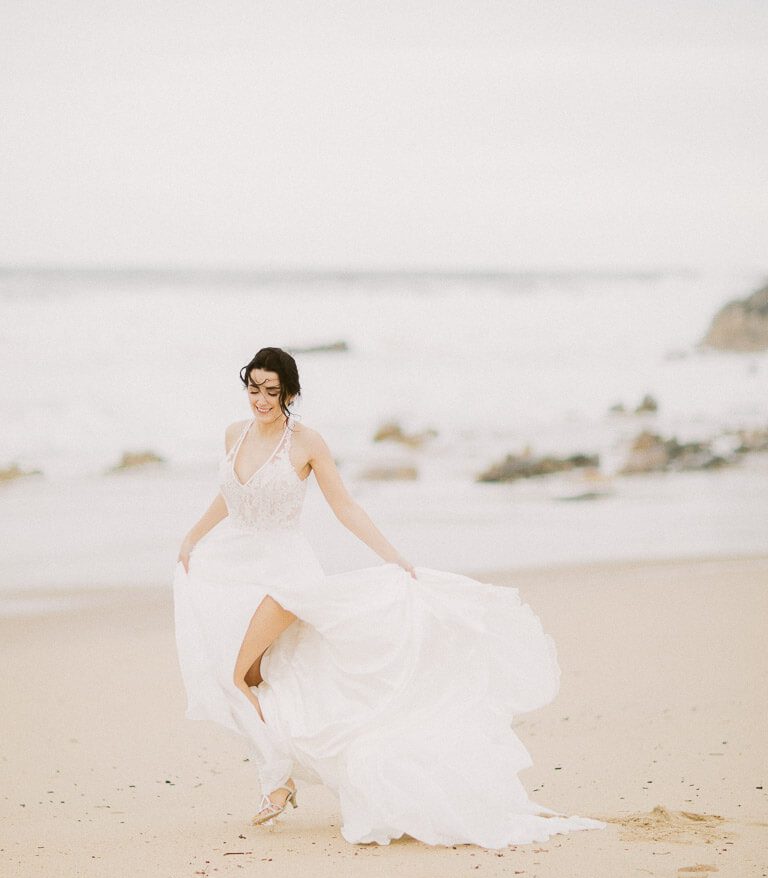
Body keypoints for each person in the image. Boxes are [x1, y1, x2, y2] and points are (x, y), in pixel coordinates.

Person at [172, 346, 606, 847]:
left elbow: (345, 506)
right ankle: (287, 769)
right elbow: (230, 496)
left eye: (272, 391)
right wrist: (193, 537)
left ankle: (277, 781)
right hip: (236, 567)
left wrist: (392, 555)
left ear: (289, 393)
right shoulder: (234, 434)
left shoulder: (306, 443)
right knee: (256, 677)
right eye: (254, 389)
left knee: (235, 675)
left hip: (285, 574)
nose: (261, 400)